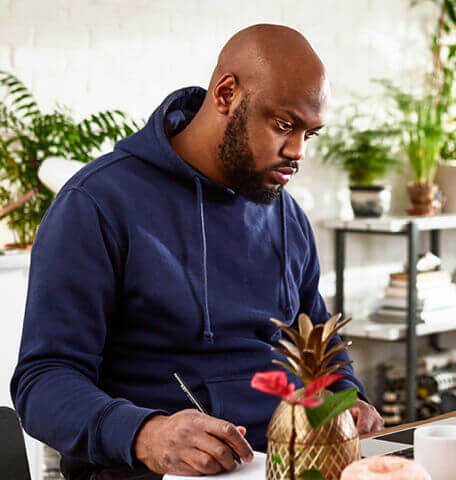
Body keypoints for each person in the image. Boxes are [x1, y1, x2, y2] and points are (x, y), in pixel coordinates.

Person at [11, 24, 384, 479]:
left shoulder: (286, 215)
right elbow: (43, 382)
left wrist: (348, 400)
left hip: (285, 465)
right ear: (226, 93)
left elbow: (318, 343)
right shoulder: (96, 205)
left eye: (311, 133)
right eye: (284, 125)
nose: (297, 151)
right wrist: (147, 433)